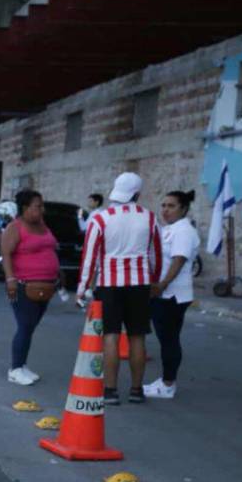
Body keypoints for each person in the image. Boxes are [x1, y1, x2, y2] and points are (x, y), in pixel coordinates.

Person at [76, 172, 161, 404]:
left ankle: (111, 391)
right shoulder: (150, 218)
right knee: (137, 337)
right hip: (140, 284)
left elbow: (89, 258)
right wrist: (153, 280)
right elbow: (155, 256)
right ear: (137, 194)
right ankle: (136, 390)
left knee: (111, 337)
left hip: (109, 285)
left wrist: (82, 288)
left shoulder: (100, 219)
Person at [0, 190, 59, 385]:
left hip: (46, 285)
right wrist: (10, 280)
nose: (42, 209)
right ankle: (15, 369)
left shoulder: (42, 225)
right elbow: (6, 253)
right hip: (24, 286)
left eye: (42, 206)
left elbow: (50, 247)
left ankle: (22, 365)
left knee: (31, 326)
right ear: (25, 208)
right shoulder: (15, 227)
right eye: (37, 206)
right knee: (25, 326)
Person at [144, 190, 200, 399]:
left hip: (172, 294)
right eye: (164, 205)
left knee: (169, 339)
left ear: (183, 209)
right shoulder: (170, 229)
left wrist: (162, 284)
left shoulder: (183, 231)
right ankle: (166, 381)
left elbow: (179, 260)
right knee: (167, 338)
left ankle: (168, 384)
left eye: (171, 206)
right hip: (164, 292)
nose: (165, 210)